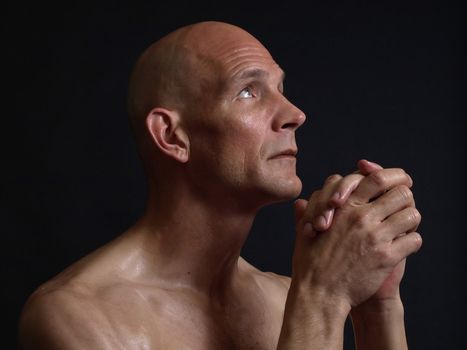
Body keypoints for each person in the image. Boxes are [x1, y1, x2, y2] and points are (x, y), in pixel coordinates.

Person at [18, 21, 422, 349]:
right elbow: (318, 301)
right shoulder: (77, 318)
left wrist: (377, 306)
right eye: (249, 91)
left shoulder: (286, 300)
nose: (295, 114)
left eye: (281, 89)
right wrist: (323, 298)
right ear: (172, 136)